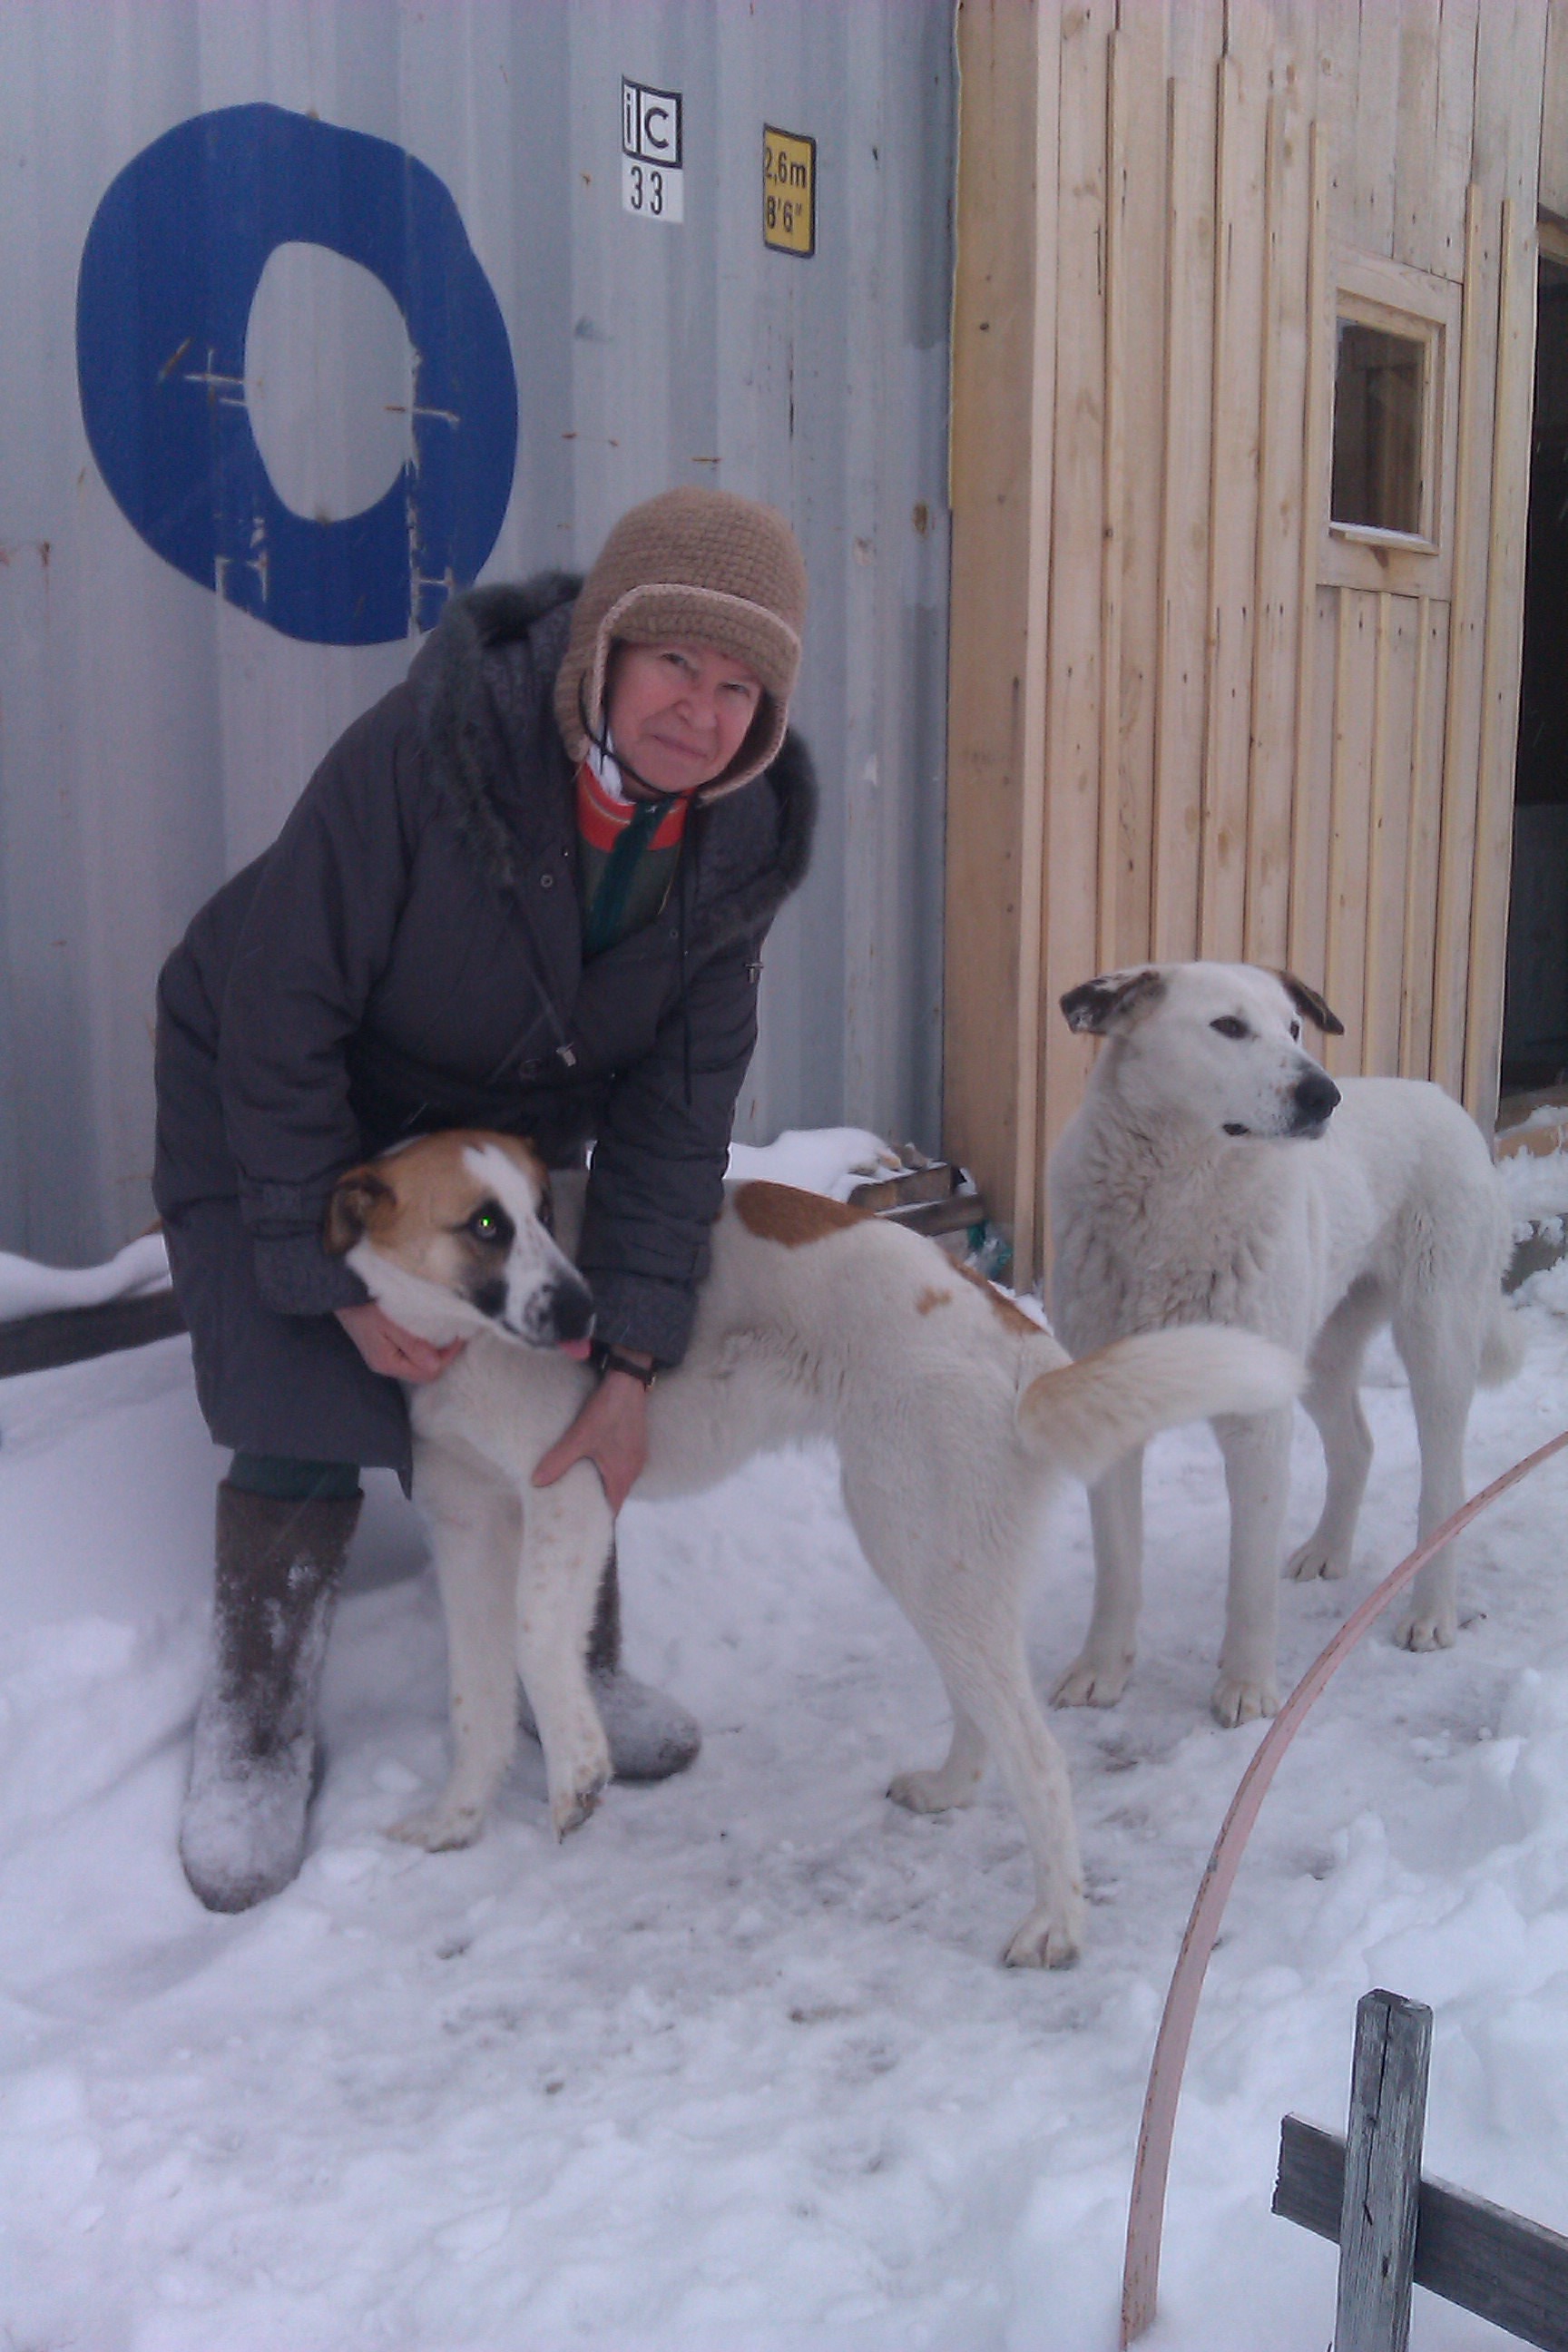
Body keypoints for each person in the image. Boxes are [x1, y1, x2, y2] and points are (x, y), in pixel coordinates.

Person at [153, 486, 814, 1912]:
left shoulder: (735, 851)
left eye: (740, 684)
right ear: (603, 650)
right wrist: (330, 1279)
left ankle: (572, 1659)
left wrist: (633, 1353)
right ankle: (258, 1718)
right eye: (675, 665)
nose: (700, 712)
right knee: (297, 1373)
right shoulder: (429, 754)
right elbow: (282, 1012)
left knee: (563, 1350)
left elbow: (674, 1121)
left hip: (498, 1109)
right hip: (279, 1061)